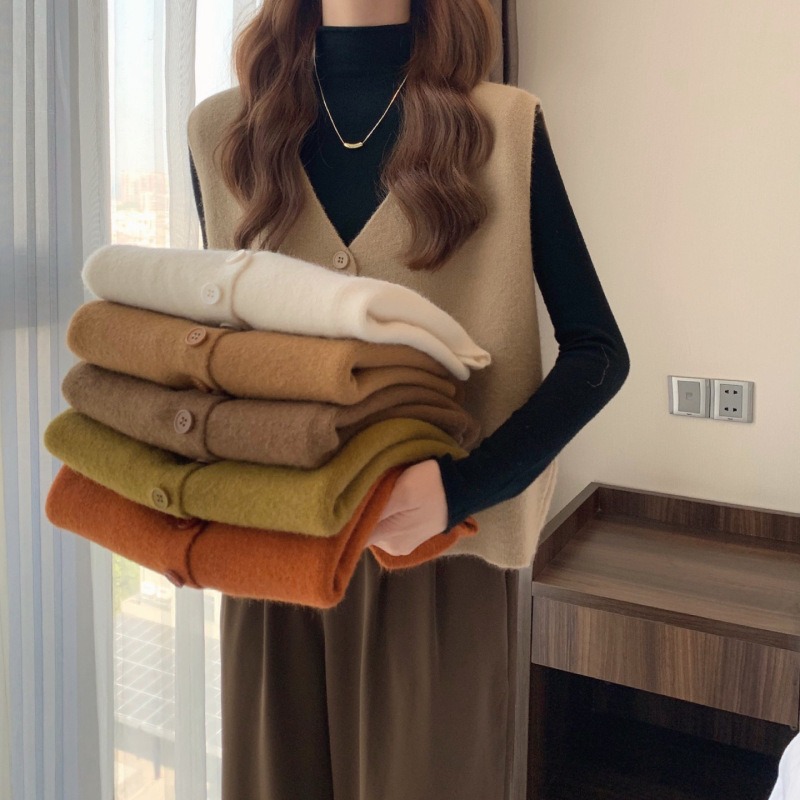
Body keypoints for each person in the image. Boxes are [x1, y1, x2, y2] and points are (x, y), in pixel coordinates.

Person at [187, 1, 630, 798]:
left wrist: (461, 487)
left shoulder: (502, 128)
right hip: (268, 556)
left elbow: (599, 354)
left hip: (441, 568)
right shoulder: (225, 133)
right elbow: (225, 349)